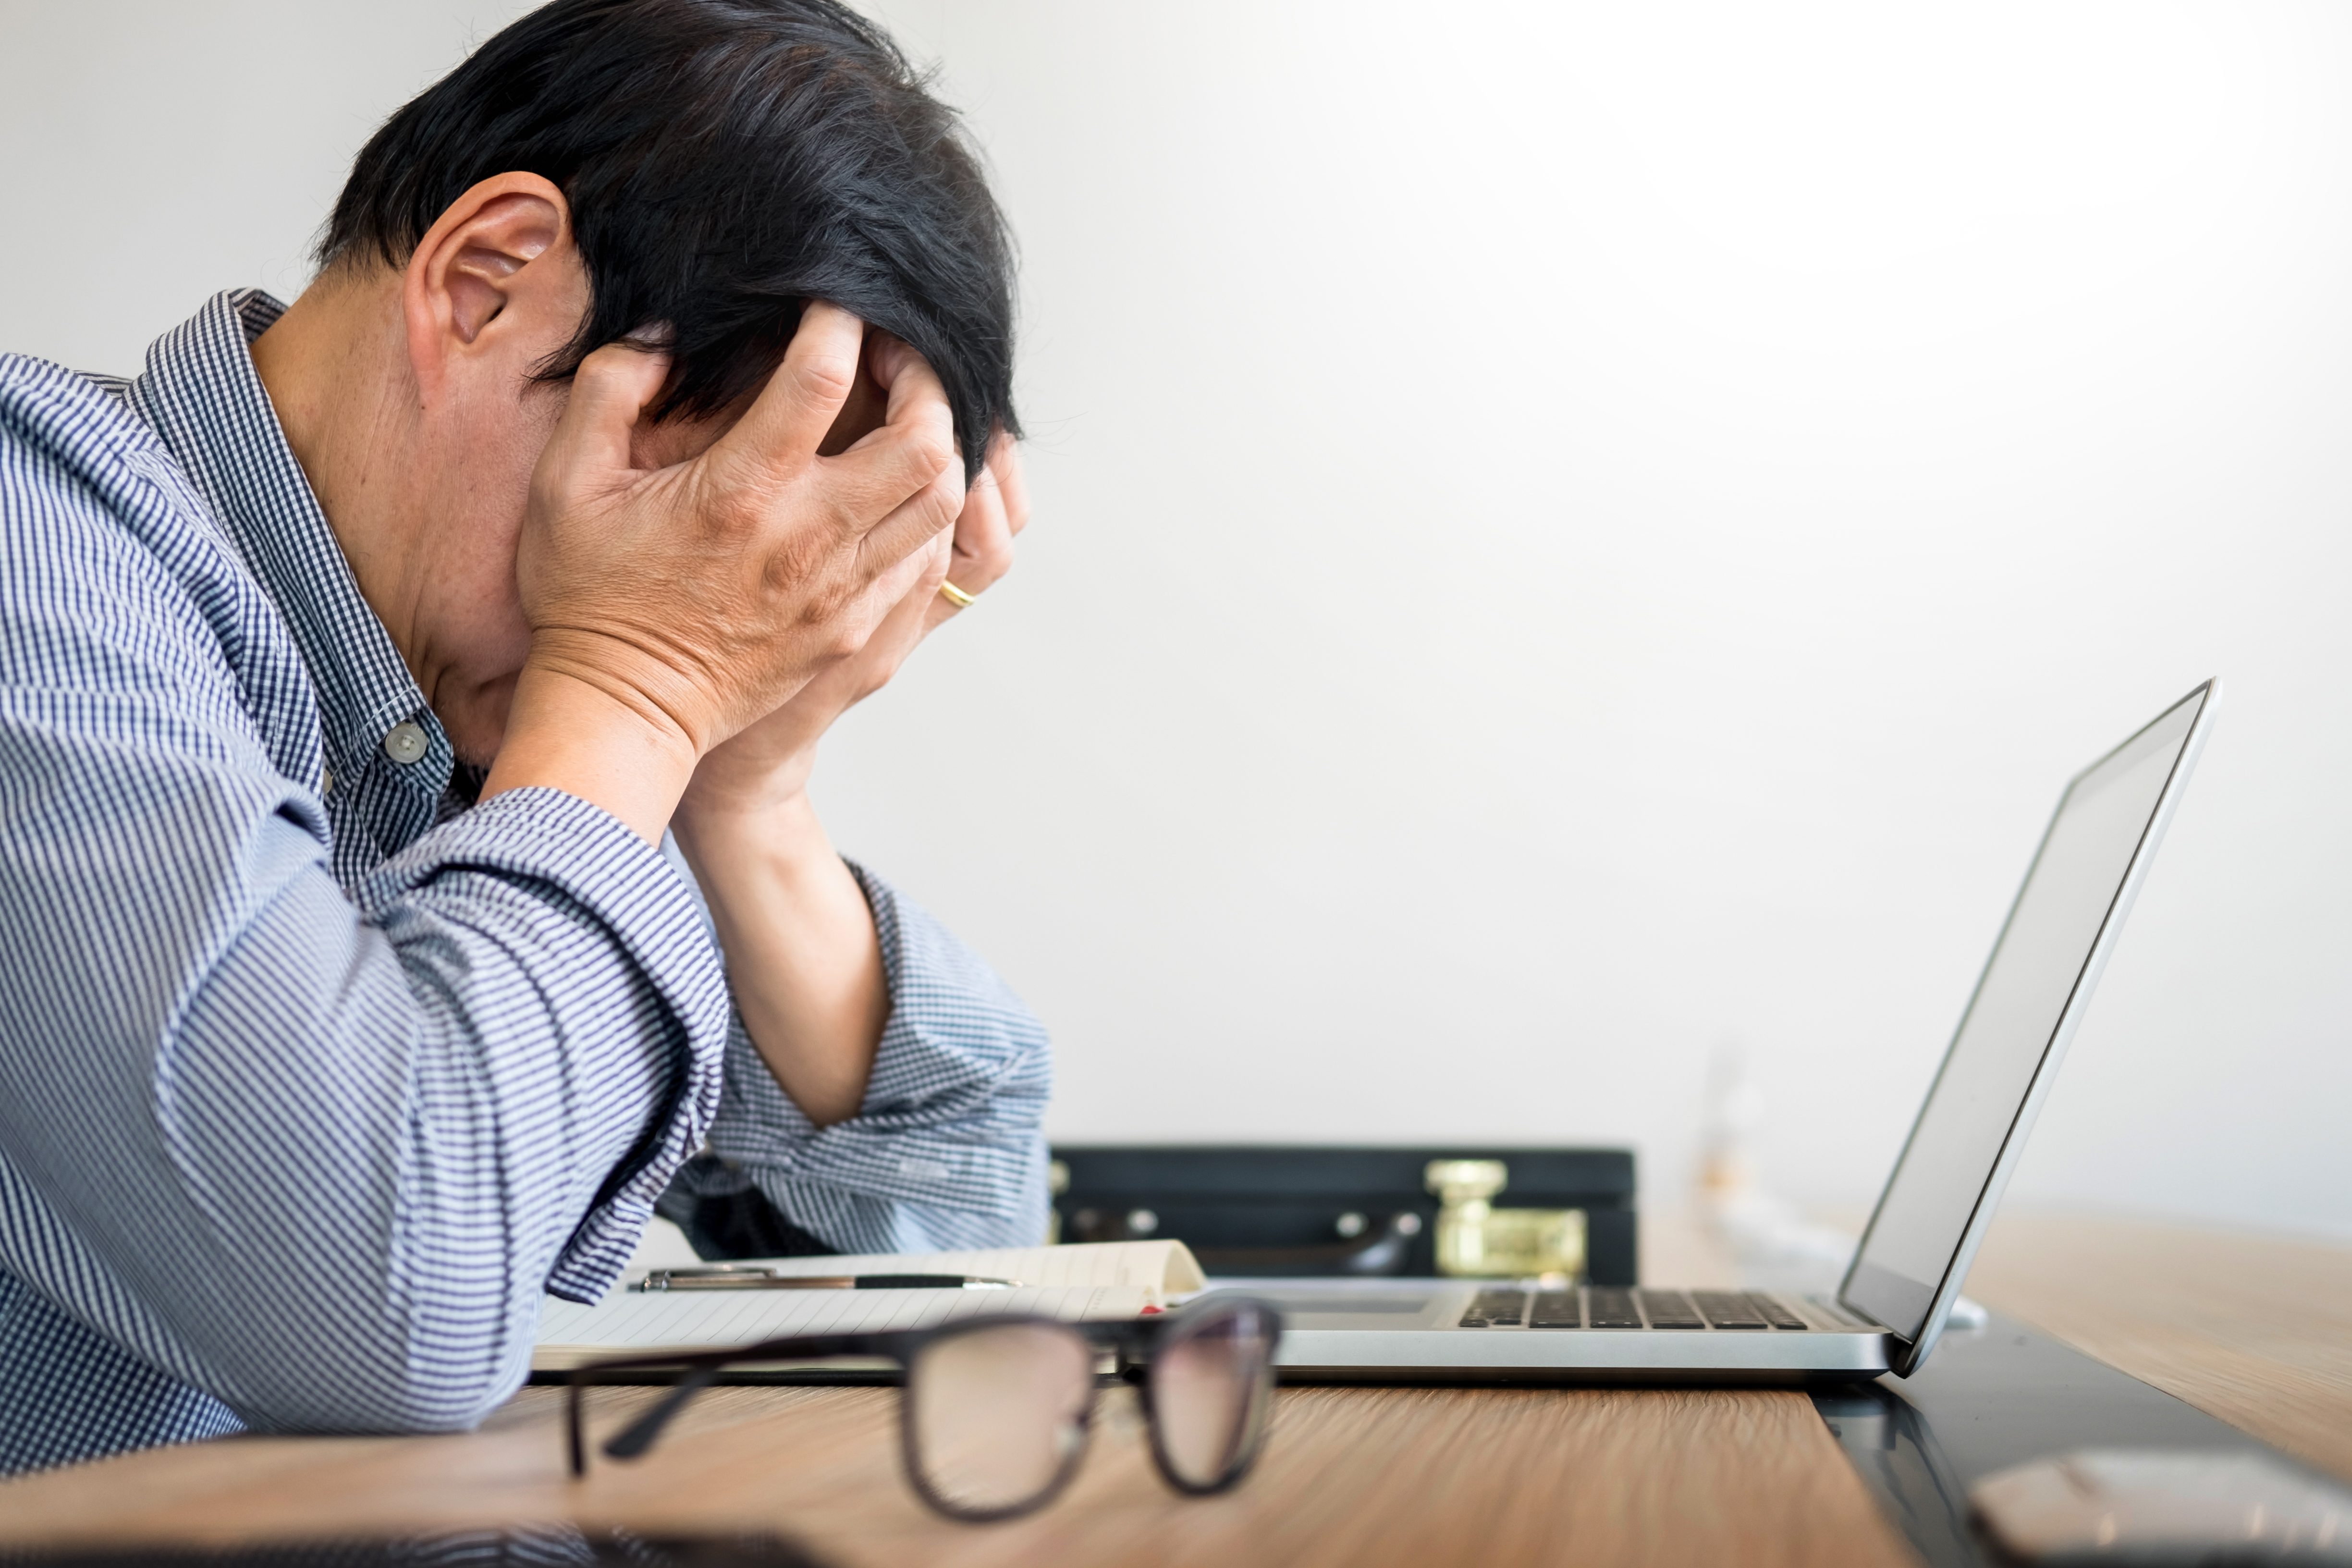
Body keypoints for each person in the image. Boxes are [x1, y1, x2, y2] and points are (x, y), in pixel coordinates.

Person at [0, 0, 1048, 1476]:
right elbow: (378, 1291)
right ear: (487, 284)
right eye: (712, 511)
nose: (744, 601)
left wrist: (747, 795)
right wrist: (643, 679)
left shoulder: (494, 733)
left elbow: (972, 1253)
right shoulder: (31, 542)